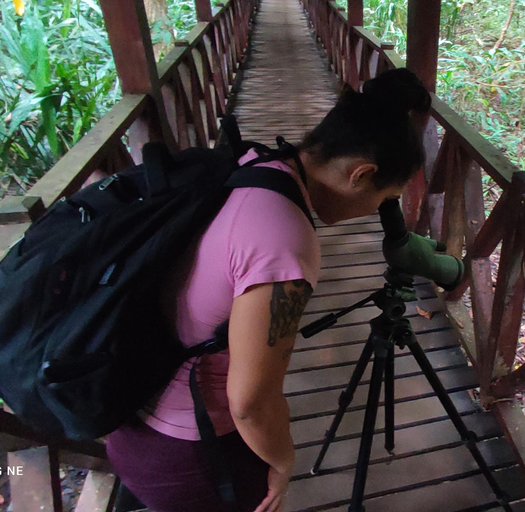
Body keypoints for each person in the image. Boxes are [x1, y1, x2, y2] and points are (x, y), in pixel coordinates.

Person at [105, 68, 431, 512]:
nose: (377, 211)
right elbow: (250, 403)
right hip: (186, 449)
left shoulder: (254, 162)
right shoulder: (285, 243)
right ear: (361, 174)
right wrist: (282, 461)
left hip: (130, 406)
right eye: (384, 198)